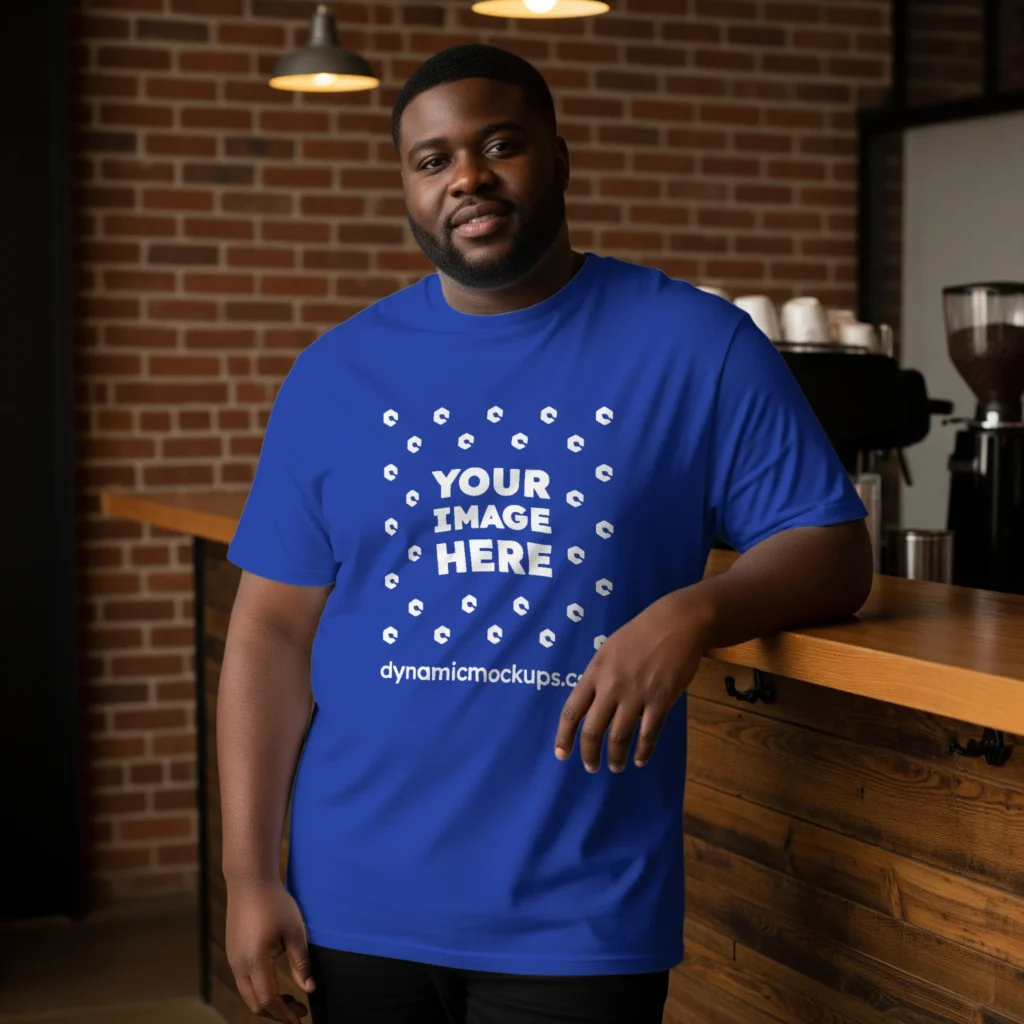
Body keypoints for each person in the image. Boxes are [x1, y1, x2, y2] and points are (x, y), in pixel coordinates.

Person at [219, 43, 873, 1024]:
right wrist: (246, 874)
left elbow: (831, 546)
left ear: (558, 158)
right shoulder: (333, 374)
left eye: (498, 144)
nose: (467, 177)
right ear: (406, 187)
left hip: (579, 906)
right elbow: (270, 631)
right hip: (355, 894)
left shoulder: (693, 345)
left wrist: (692, 611)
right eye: (431, 159)